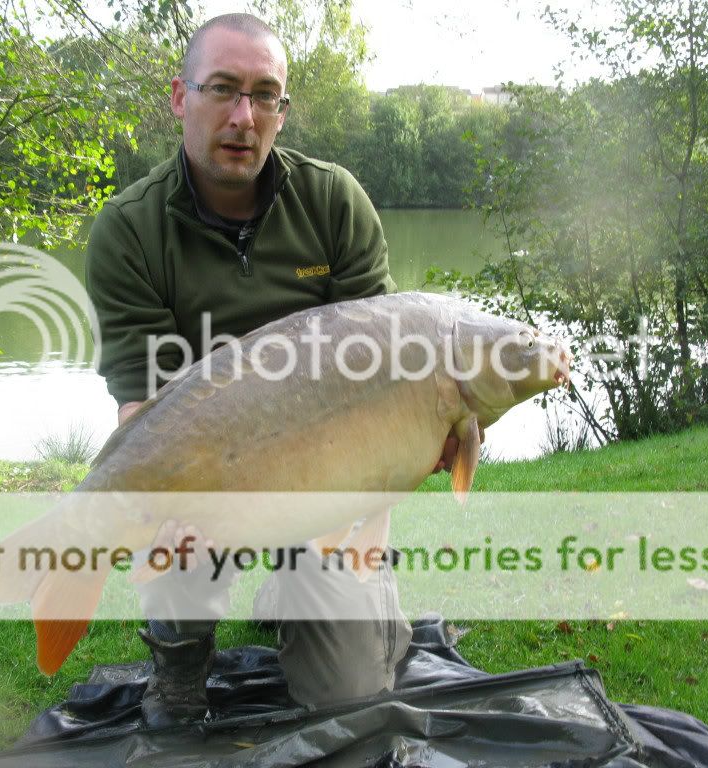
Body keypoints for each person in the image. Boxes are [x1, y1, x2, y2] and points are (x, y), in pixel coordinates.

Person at [85, 12, 450, 726]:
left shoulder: (333, 202)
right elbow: (143, 409)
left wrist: (394, 476)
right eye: (222, 89)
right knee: (169, 492)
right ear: (179, 96)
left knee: (348, 700)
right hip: (209, 459)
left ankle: (307, 592)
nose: (243, 116)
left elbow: (385, 384)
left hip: (328, 467)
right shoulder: (128, 229)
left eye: (265, 95)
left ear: (283, 110)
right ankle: (181, 663)